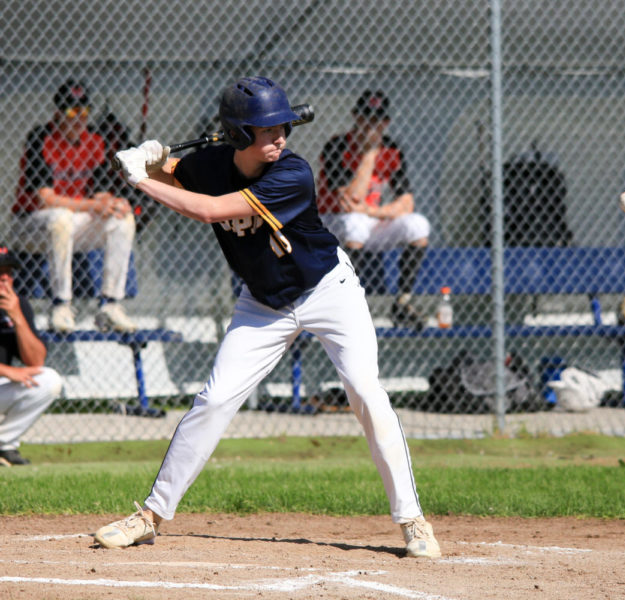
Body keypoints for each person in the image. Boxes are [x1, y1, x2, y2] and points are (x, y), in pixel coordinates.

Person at [94, 76, 441, 558]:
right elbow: (185, 176)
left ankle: (413, 521)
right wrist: (158, 163)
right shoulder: (211, 163)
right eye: (267, 130)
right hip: (262, 302)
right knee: (214, 400)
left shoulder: (293, 173)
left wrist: (141, 179)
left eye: (283, 127)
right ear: (237, 136)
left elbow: (212, 209)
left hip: (328, 291)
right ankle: (150, 516)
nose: (280, 137)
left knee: (365, 389)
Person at [13, 79, 137, 334]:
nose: (78, 118)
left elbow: (100, 191)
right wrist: (93, 205)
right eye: (71, 111)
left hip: (71, 227)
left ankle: (111, 305)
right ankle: (61, 305)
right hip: (30, 228)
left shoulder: (94, 140)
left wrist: (112, 203)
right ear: (58, 113)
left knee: (122, 219)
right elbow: (45, 198)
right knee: (61, 217)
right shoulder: (42, 137)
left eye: (83, 111)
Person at [317, 90, 430, 330]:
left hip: (367, 219)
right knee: (355, 223)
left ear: (386, 122)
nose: (372, 124)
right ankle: (349, 305)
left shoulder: (392, 149)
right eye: (366, 117)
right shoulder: (338, 146)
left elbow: (406, 203)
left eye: (379, 119)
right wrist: (369, 153)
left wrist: (371, 211)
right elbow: (348, 200)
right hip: (332, 222)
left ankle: (402, 303)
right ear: (355, 117)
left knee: (417, 225)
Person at [0, 246, 63, 466]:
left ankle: (4, 444)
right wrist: (7, 371)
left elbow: (36, 361)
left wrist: (17, 316)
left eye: (8, 272)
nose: (5, 278)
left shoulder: (18, 304)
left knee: (49, 379)